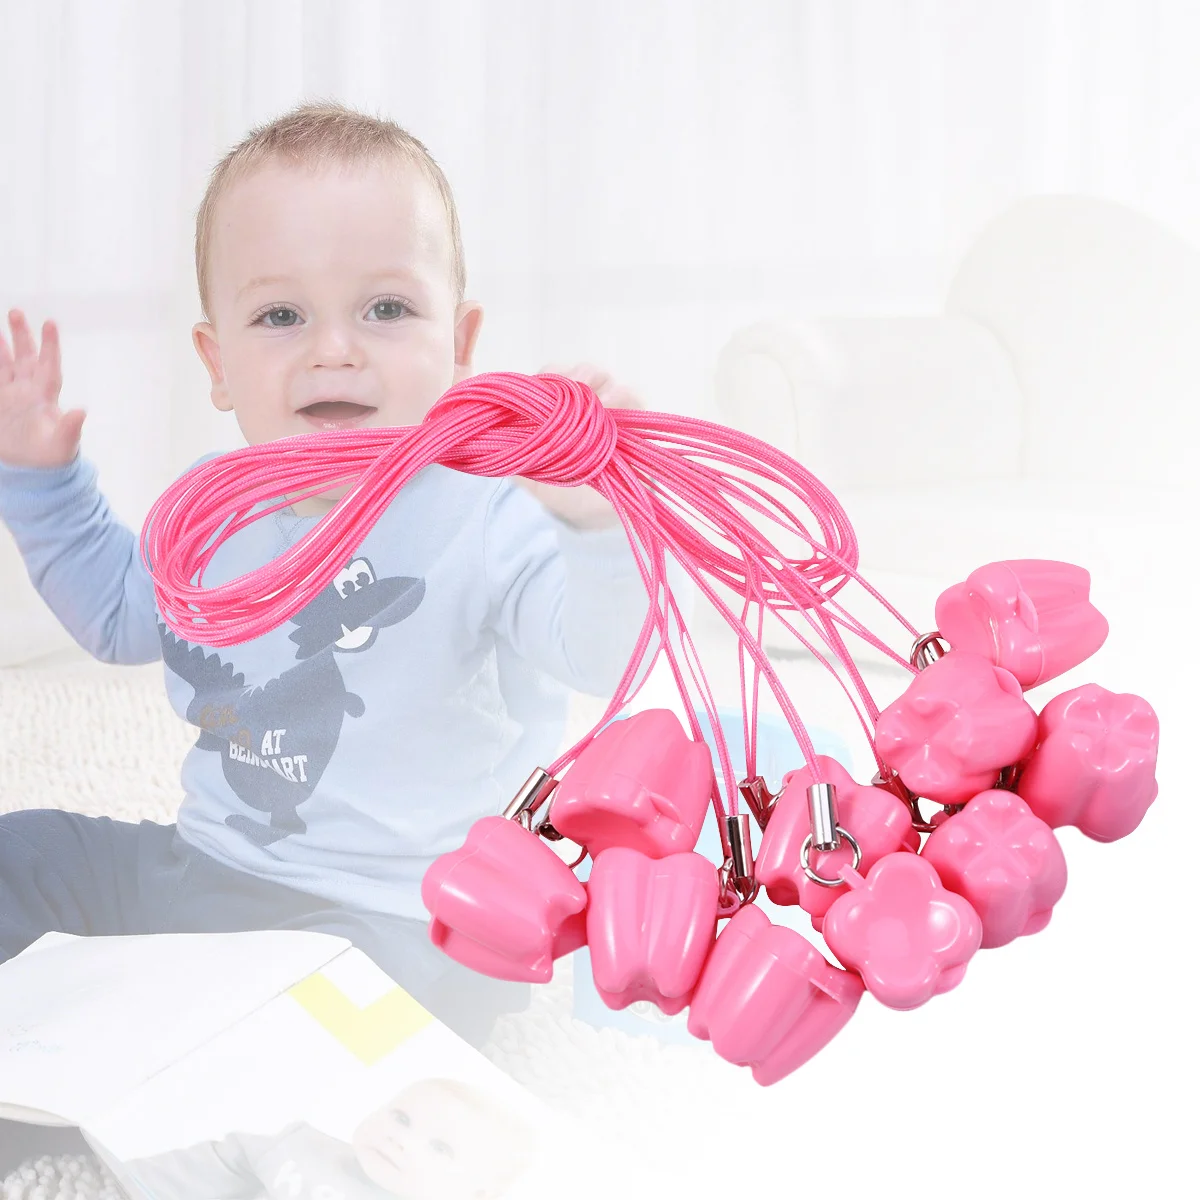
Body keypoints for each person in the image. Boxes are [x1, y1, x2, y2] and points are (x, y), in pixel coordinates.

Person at [0, 101, 652, 1050]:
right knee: (23, 856)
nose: (334, 347)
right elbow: (116, 616)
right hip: (212, 869)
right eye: (280, 315)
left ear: (460, 347)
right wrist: (44, 486)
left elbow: (602, 655)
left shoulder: (489, 513)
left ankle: (173, 1052)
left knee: (309, 1037)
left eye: (386, 308)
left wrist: (595, 523)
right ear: (217, 364)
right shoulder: (215, 507)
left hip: (406, 921)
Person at [124, 1077, 536, 1200]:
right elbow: (210, 1164)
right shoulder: (302, 1144)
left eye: (440, 1148)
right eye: (401, 1118)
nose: (400, 1141)